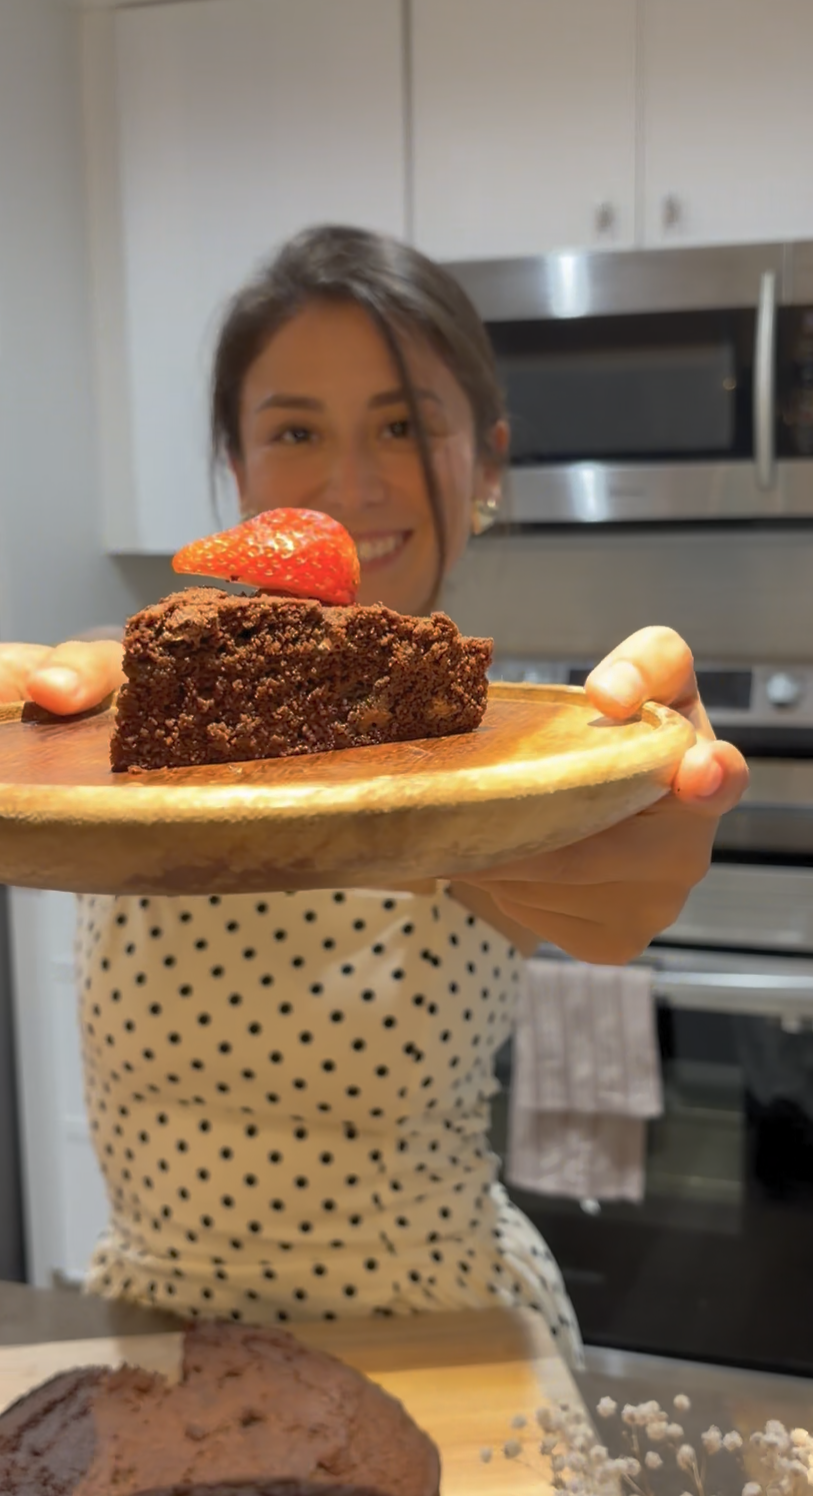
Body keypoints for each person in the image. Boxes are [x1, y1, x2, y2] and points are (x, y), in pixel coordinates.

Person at [0, 227, 748, 1366]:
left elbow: (586, 886)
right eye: (296, 429)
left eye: (404, 424)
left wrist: (632, 814)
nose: (350, 485)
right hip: (160, 1339)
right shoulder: (126, 702)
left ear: (486, 464)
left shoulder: (503, 750)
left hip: (440, 1339)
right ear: (236, 469)